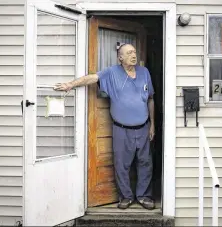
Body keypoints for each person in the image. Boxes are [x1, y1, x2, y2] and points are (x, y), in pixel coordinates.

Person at [54, 44, 155, 210]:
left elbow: (151, 99)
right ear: (120, 57)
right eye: (129, 52)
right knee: (122, 164)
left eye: (134, 52)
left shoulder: (144, 73)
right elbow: (92, 78)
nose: (133, 55)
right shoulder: (111, 73)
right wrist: (71, 84)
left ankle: (144, 196)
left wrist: (152, 125)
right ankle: (126, 197)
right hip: (121, 128)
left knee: (145, 163)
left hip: (143, 127)